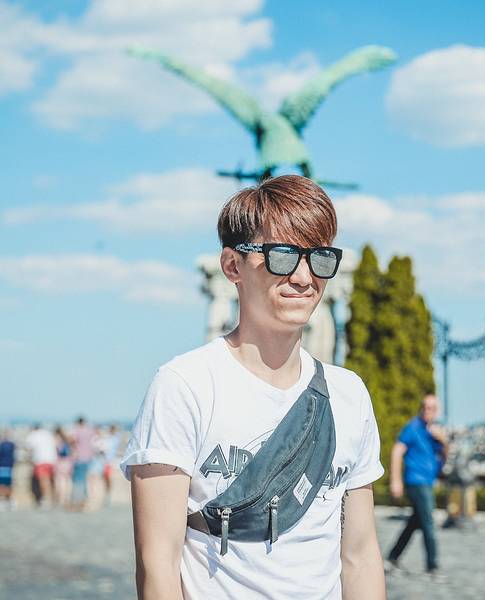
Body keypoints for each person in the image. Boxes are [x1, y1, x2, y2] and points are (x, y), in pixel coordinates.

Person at [121, 175, 386, 600]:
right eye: (283, 256)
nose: (304, 277)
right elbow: (158, 564)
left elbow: (360, 555)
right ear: (232, 266)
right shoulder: (185, 386)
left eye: (320, 258)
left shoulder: (349, 394)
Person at [385, 394, 448, 579]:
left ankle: (391, 559)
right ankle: (432, 567)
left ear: (437, 411)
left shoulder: (434, 432)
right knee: (428, 522)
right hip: (415, 481)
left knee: (415, 523)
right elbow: (397, 451)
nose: (428, 411)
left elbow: (444, 456)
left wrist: (443, 441)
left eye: (432, 408)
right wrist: (395, 480)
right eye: (426, 407)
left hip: (428, 481)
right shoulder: (413, 428)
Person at [25, 423, 57, 508]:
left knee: (44, 480)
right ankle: (51, 498)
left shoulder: (33, 435)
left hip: (41, 460)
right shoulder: (48, 433)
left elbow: (28, 448)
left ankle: (47, 499)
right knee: (50, 480)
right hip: (52, 460)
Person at [70, 416, 96, 511]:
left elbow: (72, 441)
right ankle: (84, 502)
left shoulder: (76, 431)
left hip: (78, 458)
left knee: (77, 481)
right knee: (84, 480)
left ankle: (76, 502)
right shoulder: (89, 431)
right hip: (88, 458)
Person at [54, 426, 73, 507]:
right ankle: (67, 497)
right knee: (68, 480)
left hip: (61, 463)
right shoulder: (67, 441)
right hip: (68, 462)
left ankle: (62, 499)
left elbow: (59, 452)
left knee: (60, 481)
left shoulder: (58, 442)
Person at [0, 429, 16, 510]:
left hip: (3, 467)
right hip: (9, 467)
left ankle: (5, 500)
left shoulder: (3, 445)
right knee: (8, 484)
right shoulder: (12, 445)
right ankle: (8, 500)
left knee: (3, 484)